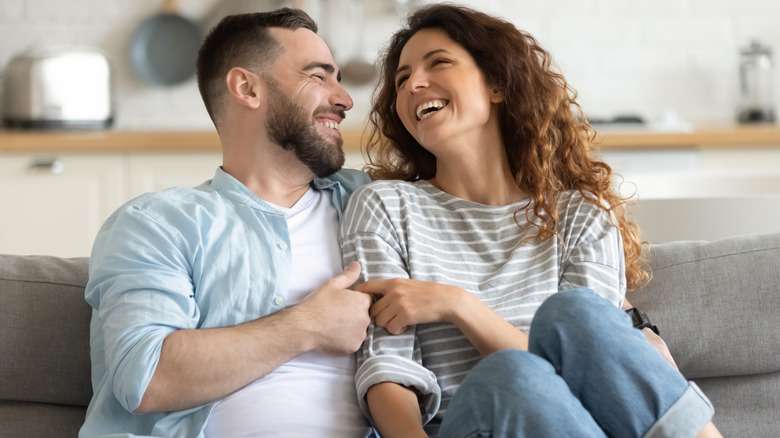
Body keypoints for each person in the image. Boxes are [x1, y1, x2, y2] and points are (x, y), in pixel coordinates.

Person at [339, 4, 722, 438]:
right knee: (508, 375)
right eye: (401, 79)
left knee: (576, 315)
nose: (413, 85)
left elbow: (594, 371)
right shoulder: (385, 207)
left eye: (438, 62)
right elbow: (387, 368)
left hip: (579, 425)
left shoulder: (582, 214)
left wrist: (459, 305)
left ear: (497, 84)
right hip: (472, 423)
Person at [79, 9, 375, 437]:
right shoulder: (158, 223)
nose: (345, 99)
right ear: (247, 88)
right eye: (318, 76)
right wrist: (307, 325)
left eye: (340, 79)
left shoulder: (371, 204)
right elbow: (146, 378)